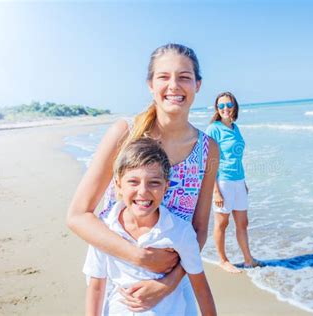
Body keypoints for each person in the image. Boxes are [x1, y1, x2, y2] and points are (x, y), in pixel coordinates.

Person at [67, 43, 219, 313]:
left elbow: (199, 229)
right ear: (151, 84)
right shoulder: (125, 133)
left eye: (184, 77)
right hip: (119, 282)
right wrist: (140, 257)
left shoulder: (208, 149)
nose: (174, 85)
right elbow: (78, 215)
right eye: (164, 77)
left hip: (176, 286)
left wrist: (167, 284)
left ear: (198, 84)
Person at [84, 138, 216, 315]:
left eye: (154, 182)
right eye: (133, 182)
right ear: (118, 185)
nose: (143, 192)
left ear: (166, 187)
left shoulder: (180, 231)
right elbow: (96, 288)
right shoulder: (105, 229)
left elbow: (201, 290)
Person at [205, 92, 258, 273]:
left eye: (228, 105)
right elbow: (209, 162)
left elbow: (237, 158)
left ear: (234, 106)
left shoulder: (236, 128)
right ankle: (223, 260)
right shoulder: (214, 129)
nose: (225, 109)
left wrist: (243, 182)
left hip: (238, 181)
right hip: (223, 182)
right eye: (221, 106)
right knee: (222, 223)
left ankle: (248, 259)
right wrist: (216, 191)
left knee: (243, 223)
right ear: (217, 109)